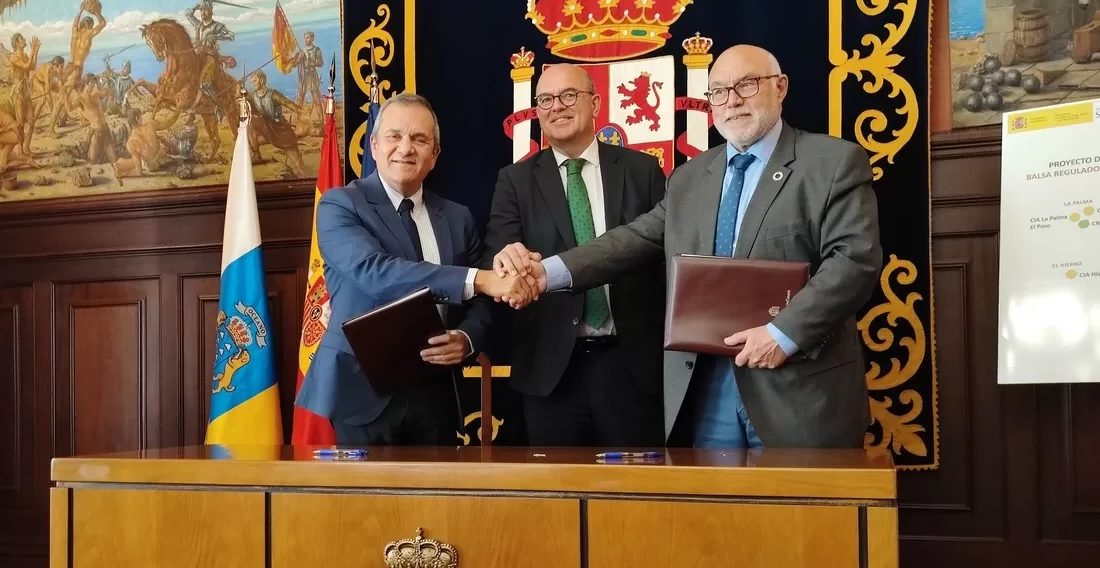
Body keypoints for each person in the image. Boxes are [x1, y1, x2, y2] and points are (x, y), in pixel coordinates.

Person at [495, 45, 881, 449]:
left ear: (780, 87)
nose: (732, 100)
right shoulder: (690, 177)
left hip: (799, 391)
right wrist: (546, 273)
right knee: (708, 494)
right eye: (719, 91)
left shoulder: (832, 162)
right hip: (708, 389)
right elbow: (634, 239)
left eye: (747, 85)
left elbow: (854, 262)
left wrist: (783, 333)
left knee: (801, 495)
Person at [297, 92, 534, 446]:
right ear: (374, 146)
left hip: (436, 391)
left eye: (419, 139)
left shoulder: (457, 218)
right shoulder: (340, 205)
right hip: (361, 391)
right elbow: (376, 273)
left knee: (437, 486)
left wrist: (467, 338)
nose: (405, 148)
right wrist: (481, 279)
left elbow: (481, 302)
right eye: (394, 136)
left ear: (434, 155)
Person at [481, 63, 667, 448]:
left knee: (635, 484)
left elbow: (665, 257)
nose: (556, 107)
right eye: (545, 100)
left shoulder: (643, 170)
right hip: (551, 371)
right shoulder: (514, 180)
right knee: (558, 484)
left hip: (631, 366)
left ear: (595, 103)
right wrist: (508, 261)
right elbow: (496, 263)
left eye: (568, 95)